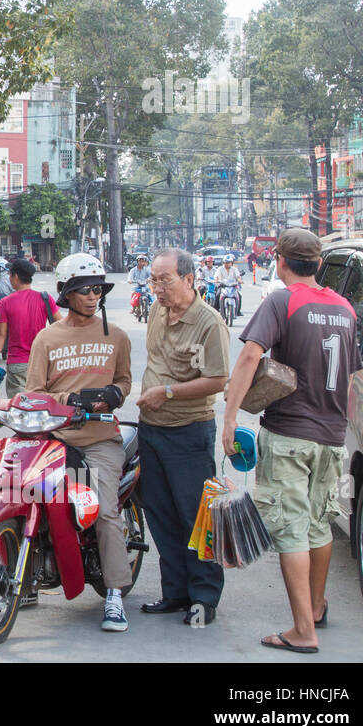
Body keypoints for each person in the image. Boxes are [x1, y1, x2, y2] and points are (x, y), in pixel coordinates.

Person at [222, 229, 359, 654]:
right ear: (318, 264)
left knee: (290, 529)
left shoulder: (283, 301)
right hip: (332, 438)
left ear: (279, 260)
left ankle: (303, 630)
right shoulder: (345, 308)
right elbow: (350, 379)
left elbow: (249, 356)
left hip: (289, 434)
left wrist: (229, 418)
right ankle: (315, 608)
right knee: (320, 523)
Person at [22, 253, 133, 632]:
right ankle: (28, 578)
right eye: (85, 290)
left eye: (98, 289)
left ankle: (115, 594)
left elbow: (124, 380)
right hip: (55, 440)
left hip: (101, 441)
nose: (93, 296)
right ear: (66, 294)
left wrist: (114, 396)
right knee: (29, 499)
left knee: (103, 512)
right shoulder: (47, 338)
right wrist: (68, 402)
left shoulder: (115, 335)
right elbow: (34, 391)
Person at [135, 249, 230, 627]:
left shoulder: (209, 323)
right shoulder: (157, 309)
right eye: (153, 280)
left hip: (189, 432)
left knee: (196, 516)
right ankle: (174, 592)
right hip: (152, 429)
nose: (156, 288)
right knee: (160, 514)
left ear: (189, 280)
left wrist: (168, 392)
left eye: (165, 280)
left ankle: (204, 596)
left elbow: (218, 380)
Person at [0, 258, 58, 398]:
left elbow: (1, 334)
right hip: (41, 362)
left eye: (10, 275)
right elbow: (61, 326)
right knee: (39, 403)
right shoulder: (45, 298)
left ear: (16, 277)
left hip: (17, 363)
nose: (9, 278)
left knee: (19, 407)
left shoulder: (5, 303)